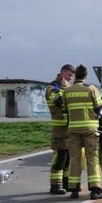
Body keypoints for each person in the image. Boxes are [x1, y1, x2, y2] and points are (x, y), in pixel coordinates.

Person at [63, 64, 102, 200]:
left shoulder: (67, 91)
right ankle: (95, 190)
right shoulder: (91, 89)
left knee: (75, 159)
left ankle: (74, 189)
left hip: (73, 129)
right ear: (86, 76)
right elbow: (99, 108)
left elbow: (65, 108)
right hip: (90, 129)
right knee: (92, 158)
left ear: (76, 75)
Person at [44, 64, 74, 194]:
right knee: (60, 158)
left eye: (72, 76)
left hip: (69, 128)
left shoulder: (66, 87)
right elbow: (59, 102)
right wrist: (67, 89)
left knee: (67, 158)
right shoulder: (52, 88)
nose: (70, 78)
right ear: (62, 73)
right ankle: (55, 185)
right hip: (59, 129)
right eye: (68, 75)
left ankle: (65, 183)